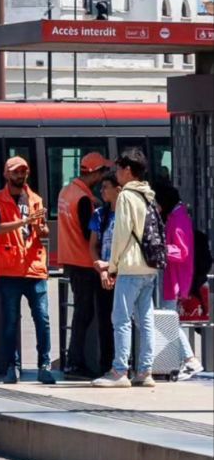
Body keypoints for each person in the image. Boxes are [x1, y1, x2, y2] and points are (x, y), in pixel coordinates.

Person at [93, 148, 160, 388]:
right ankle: (145, 371)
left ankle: (119, 370)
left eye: (119, 169)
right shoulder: (148, 195)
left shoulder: (126, 196)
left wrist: (111, 265)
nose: (117, 173)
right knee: (146, 319)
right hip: (149, 266)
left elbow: (121, 234)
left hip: (130, 266)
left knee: (120, 319)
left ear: (128, 170)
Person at [0, 155, 55, 384]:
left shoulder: (35, 199)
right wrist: (24, 222)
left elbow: (42, 231)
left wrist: (42, 229)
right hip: (8, 269)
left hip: (34, 268)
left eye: (23, 171)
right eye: (16, 171)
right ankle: (11, 366)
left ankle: (44, 365)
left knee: (43, 318)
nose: (20, 175)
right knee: (10, 320)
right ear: (7, 174)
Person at [57, 151, 113, 378]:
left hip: (70, 260)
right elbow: (88, 235)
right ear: (95, 173)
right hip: (85, 263)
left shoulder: (67, 191)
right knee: (85, 314)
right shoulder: (84, 200)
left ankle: (73, 361)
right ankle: (75, 362)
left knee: (82, 313)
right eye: (102, 172)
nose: (103, 177)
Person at [155, 184, 203, 379]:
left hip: (174, 276)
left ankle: (190, 359)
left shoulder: (179, 218)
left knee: (170, 320)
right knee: (171, 319)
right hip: (174, 275)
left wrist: (160, 249)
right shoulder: (178, 215)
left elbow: (181, 251)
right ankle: (187, 359)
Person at [89, 172, 120, 372]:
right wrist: (99, 267)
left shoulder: (128, 214)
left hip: (124, 274)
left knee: (124, 322)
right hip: (104, 275)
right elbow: (93, 245)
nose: (101, 191)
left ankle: (125, 364)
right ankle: (106, 365)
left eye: (105, 187)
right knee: (105, 322)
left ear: (118, 189)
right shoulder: (100, 214)